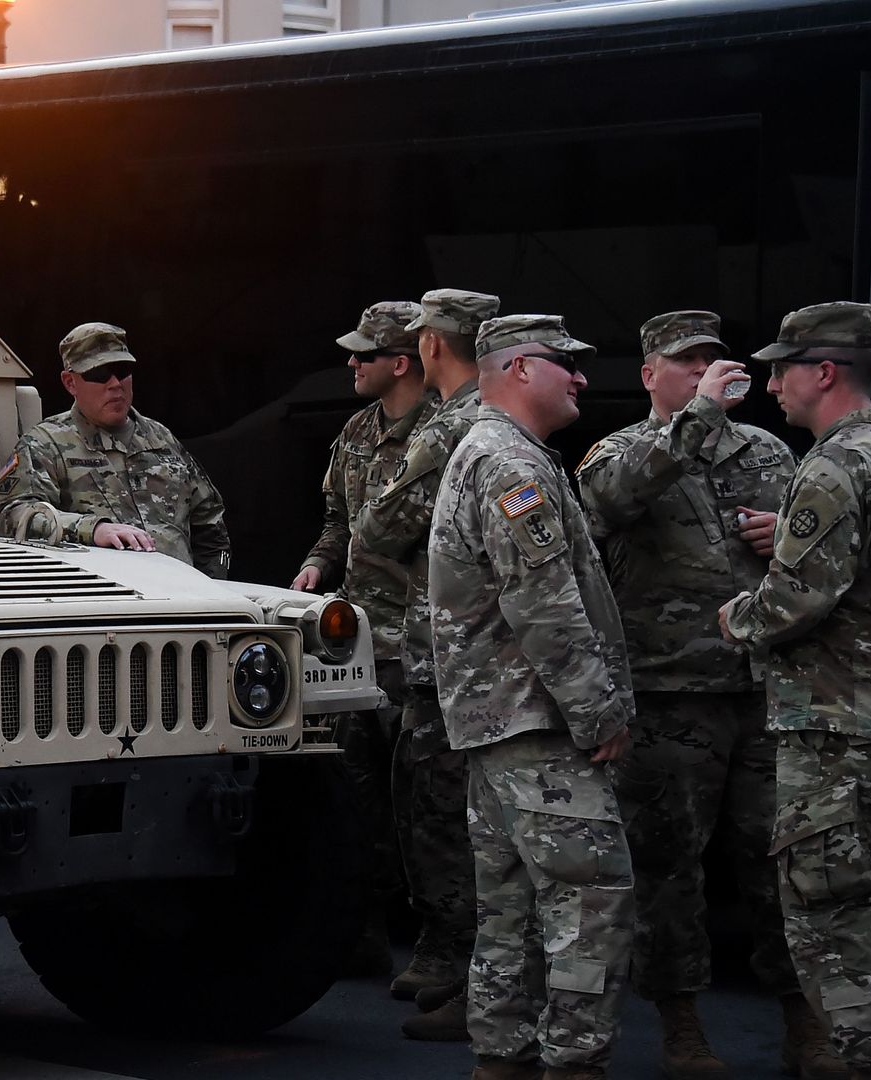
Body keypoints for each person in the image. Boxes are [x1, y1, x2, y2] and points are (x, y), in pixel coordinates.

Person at [719, 302, 871, 1080]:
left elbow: (795, 602)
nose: (771, 383)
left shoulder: (831, 465)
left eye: (783, 367)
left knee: (829, 914)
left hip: (837, 725)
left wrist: (735, 615)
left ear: (824, 372)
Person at [574, 311, 823, 1079]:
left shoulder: (767, 452)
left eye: (714, 362)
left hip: (759, 690)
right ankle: (681, 1022)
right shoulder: (622, 451)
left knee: (780, 860)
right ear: (651, 375)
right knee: (667, 867)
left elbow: (818, 545)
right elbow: (607, 504)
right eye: (687, 364)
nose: (707, 374)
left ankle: (804, 1020)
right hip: (668, 694)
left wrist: (788, 531)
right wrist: (697, 417)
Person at [429, 314, 635, 1080]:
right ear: (518, 368)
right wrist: (599, 711)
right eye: (565, 363)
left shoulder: (494, 454)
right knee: (590, 905)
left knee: (509, 912)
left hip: (503, 724)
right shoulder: (510, 465)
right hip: (539, 724)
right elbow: (543, 605)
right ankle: (573, 1065)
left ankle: (503, 1058)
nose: (581, 377)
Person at [346, 288, 503, 1033]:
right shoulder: (506, 421)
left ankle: (467, 969)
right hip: (488, 656)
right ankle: (464, 965)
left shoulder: (450, 429)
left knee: (439, 804)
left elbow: (376, 529)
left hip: (446, 652)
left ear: (431, 346)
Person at [290, 299, 434, 974]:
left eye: (363, 354)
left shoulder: (446, 435)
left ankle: (436, 946)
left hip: (422, 642)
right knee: (353, 789)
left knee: (425, 801)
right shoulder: (353, 431)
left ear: (400, 363)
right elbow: (336, 522)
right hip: (357, 642)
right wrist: (319, 562)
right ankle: (363, 931)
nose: (350, 363)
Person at [0, 321, 230, 576]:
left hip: (184, 600)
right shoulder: (45, 445)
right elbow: (12, 515)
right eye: (99, 374)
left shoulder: (161, 439)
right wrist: (93, 529)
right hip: (105, 603)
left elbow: (210, 522)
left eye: (122, 370)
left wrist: (213, 584)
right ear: (70, 382)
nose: (115, 383)